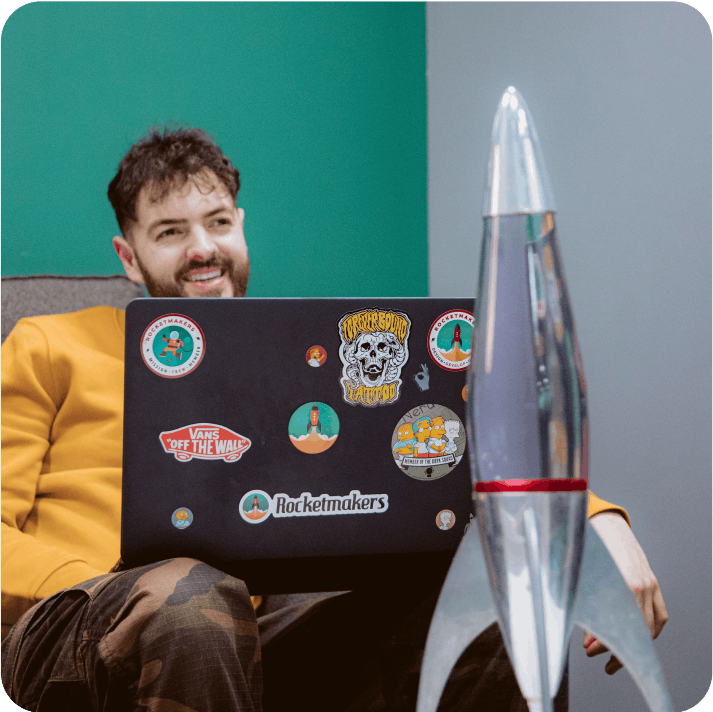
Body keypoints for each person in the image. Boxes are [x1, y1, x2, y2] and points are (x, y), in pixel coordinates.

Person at [1, 127, 667, 711]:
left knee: (487, 588)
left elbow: (447, 459)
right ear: (128, 255)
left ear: (241, 225)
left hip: (267, 623)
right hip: (83, 618)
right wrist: (100, 583)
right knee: (191, 600)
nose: (202, 248)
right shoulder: (48, 344)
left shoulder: (309, 354)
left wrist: (590, 518)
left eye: (219, 222)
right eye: (171, 232)